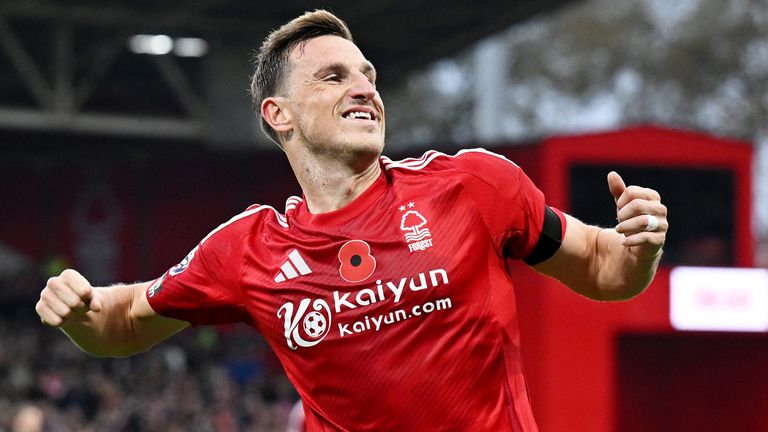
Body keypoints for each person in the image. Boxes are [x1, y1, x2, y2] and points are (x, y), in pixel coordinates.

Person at [36, 9, 668, 432]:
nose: (364, 87)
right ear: (278, 115)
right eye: (333, 77)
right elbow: (122, 320)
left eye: (367, 74)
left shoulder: (474, 185)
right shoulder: (247, 251)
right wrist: (80, 312)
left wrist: (636, 246)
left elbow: (601, 265)